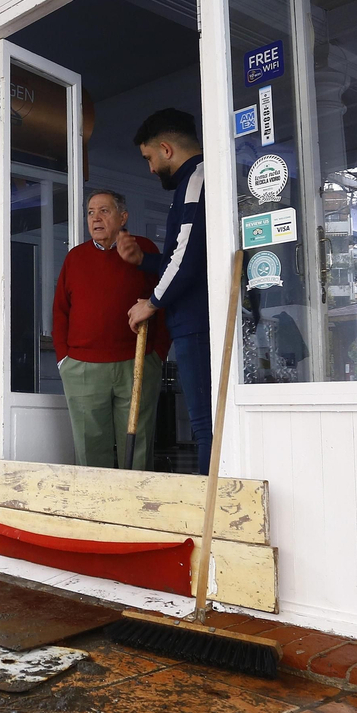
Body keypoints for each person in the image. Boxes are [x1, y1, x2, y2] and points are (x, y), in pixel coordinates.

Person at [119, 109, 215, 475]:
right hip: (194, 320)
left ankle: (213, 514)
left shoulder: (196, 180)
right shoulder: (196, 182)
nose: (150, 168)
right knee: (205, 424)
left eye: (149, 158)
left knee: (206, 426)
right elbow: (183, 256)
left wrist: (153, 302)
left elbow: (188, 258)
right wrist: (144, 260)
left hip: (197, 321)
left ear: (166, 149)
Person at [53, 190, 170, 469]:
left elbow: (165, 297)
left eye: (104, 211)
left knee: (137, 448)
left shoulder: (144, 251)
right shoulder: (75, 258)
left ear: (123, 217)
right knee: (89, 449)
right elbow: (60, 311)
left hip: (137, 361)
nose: (96, 218)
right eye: (91, 212)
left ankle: (135, 509)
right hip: (83, 367)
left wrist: (158, 354)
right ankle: (96, 510)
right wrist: (63, 359)